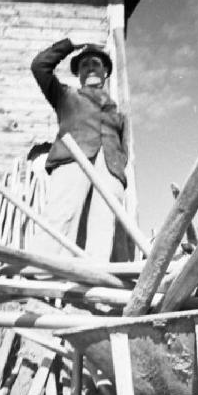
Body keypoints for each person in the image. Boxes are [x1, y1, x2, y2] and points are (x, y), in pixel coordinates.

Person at [30, 38, 128, 262]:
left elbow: (124, 146)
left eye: (96, 64)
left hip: (110, 168)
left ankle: (93, 280)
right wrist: (69, 46)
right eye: (84, 65)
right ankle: (38, 273)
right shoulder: (65, 96)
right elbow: (39, 66)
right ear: (78, 74)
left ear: (105, 72)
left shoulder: (118, 113)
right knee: (62, 214)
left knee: (103, 225)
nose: (91, 67)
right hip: (72, 159)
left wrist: (120, 172)